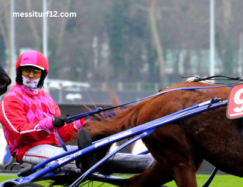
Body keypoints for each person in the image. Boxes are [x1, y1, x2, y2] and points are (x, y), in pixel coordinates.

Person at [0, 50, 154, 174]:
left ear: (43, 75)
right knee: (83, 159)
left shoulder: (46, 98)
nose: (31, 75)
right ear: (19, 72)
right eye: (27, 71)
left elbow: (60, 133)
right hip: (27, 149)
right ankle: (92, 161)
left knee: (97, 155)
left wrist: (82, 122)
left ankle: (147, 163)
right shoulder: (11, 99)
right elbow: (19, 132)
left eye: (36, 72)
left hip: (54, 147)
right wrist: (50, 123)